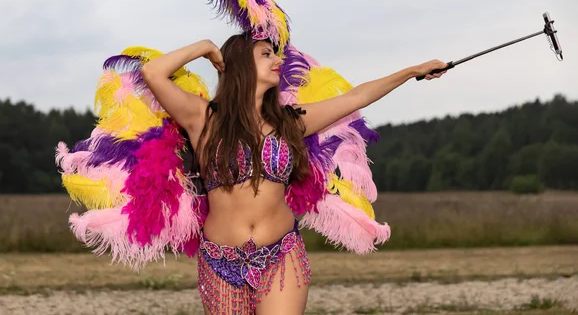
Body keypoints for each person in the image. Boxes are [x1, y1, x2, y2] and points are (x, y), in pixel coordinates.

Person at [140, 32, 447, 315]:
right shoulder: (203, 118)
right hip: (220, 262)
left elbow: (357, 98)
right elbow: (153, 72)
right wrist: (206, 47)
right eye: (266, 54)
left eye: (276, 54)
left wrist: (412, 72)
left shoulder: (291, 122)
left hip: (281, 254)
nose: (278, 60)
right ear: (240, 65)